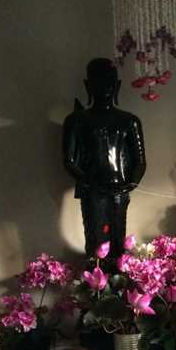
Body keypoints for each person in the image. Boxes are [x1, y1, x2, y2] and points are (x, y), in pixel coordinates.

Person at [63, 58, 146, 261]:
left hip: (120, 189)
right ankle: (96, 288)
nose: (104, 87)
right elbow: (69, 161)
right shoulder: (76, 120)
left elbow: (140, 161)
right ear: (88, 85)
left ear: (117, 86)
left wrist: (130, 184)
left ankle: (116, 285)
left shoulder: (129, 121)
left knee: (118, 244)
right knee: (96, 244)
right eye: (98, 82)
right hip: (92, 191)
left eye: (109, 82)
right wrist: (92, 183)